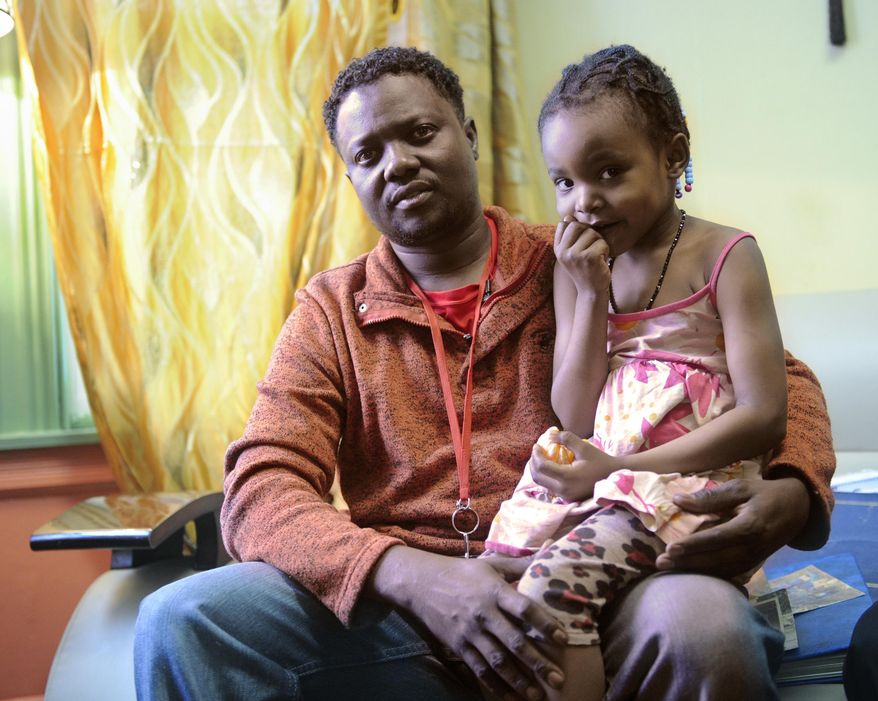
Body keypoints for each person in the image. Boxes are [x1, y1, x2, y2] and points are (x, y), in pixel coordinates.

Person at [133, 46, 836, 701]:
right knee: (180, 619)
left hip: (593, 586)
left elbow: (777, 376)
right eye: (368, 153)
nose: (398, 164)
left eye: (419, 133)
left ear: (468, 136)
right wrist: (413, 576)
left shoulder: (573, 255)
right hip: (401, 617)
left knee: (705, 629)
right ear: (349, 177)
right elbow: (259, 487)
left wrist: (795, 487)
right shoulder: (331, 310)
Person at [482, 44, 788, 701]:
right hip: (605, 482)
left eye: (610, 171)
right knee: (496, 587)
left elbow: (764, 415)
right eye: (564, 181)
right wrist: (590, 294)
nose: (584, 201)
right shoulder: (577, 267)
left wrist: (623, 471)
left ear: (673, 156)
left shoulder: (725, 257)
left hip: (686, 484)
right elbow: (575, 415)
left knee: (548, 594)